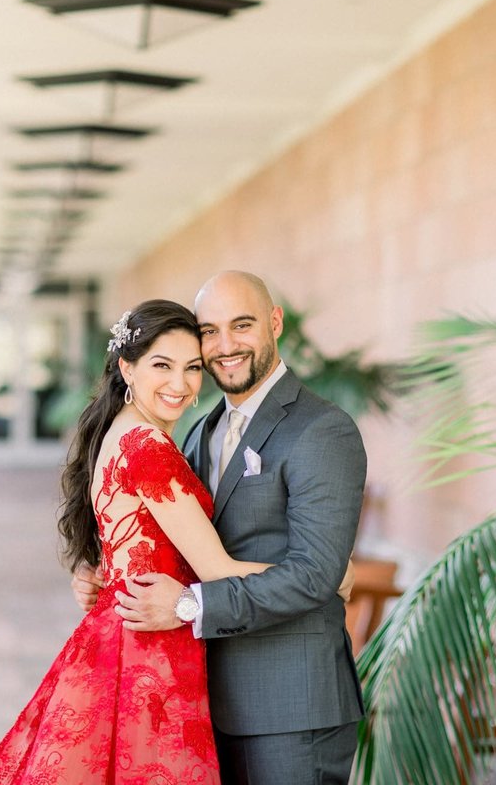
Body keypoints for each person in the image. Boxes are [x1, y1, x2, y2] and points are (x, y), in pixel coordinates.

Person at [74, 271, 368, 784]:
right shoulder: (200, 429)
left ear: (275, 323)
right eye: (209, 331)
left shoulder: (322, 430)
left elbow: (315, 573)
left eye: (243, 325)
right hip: (204, 696)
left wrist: (187, 604)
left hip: (290, 708)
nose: (225, 346)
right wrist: (112, 572)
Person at [0, 299, 275, 785]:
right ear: (126, 367)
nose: (180, 384)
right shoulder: (146, 444)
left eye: (192, 368)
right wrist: (320, 576)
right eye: (162, 365)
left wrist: (95, 572)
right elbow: (217, 568)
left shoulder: (116, 431)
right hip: (149, 649)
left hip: (120, 632)